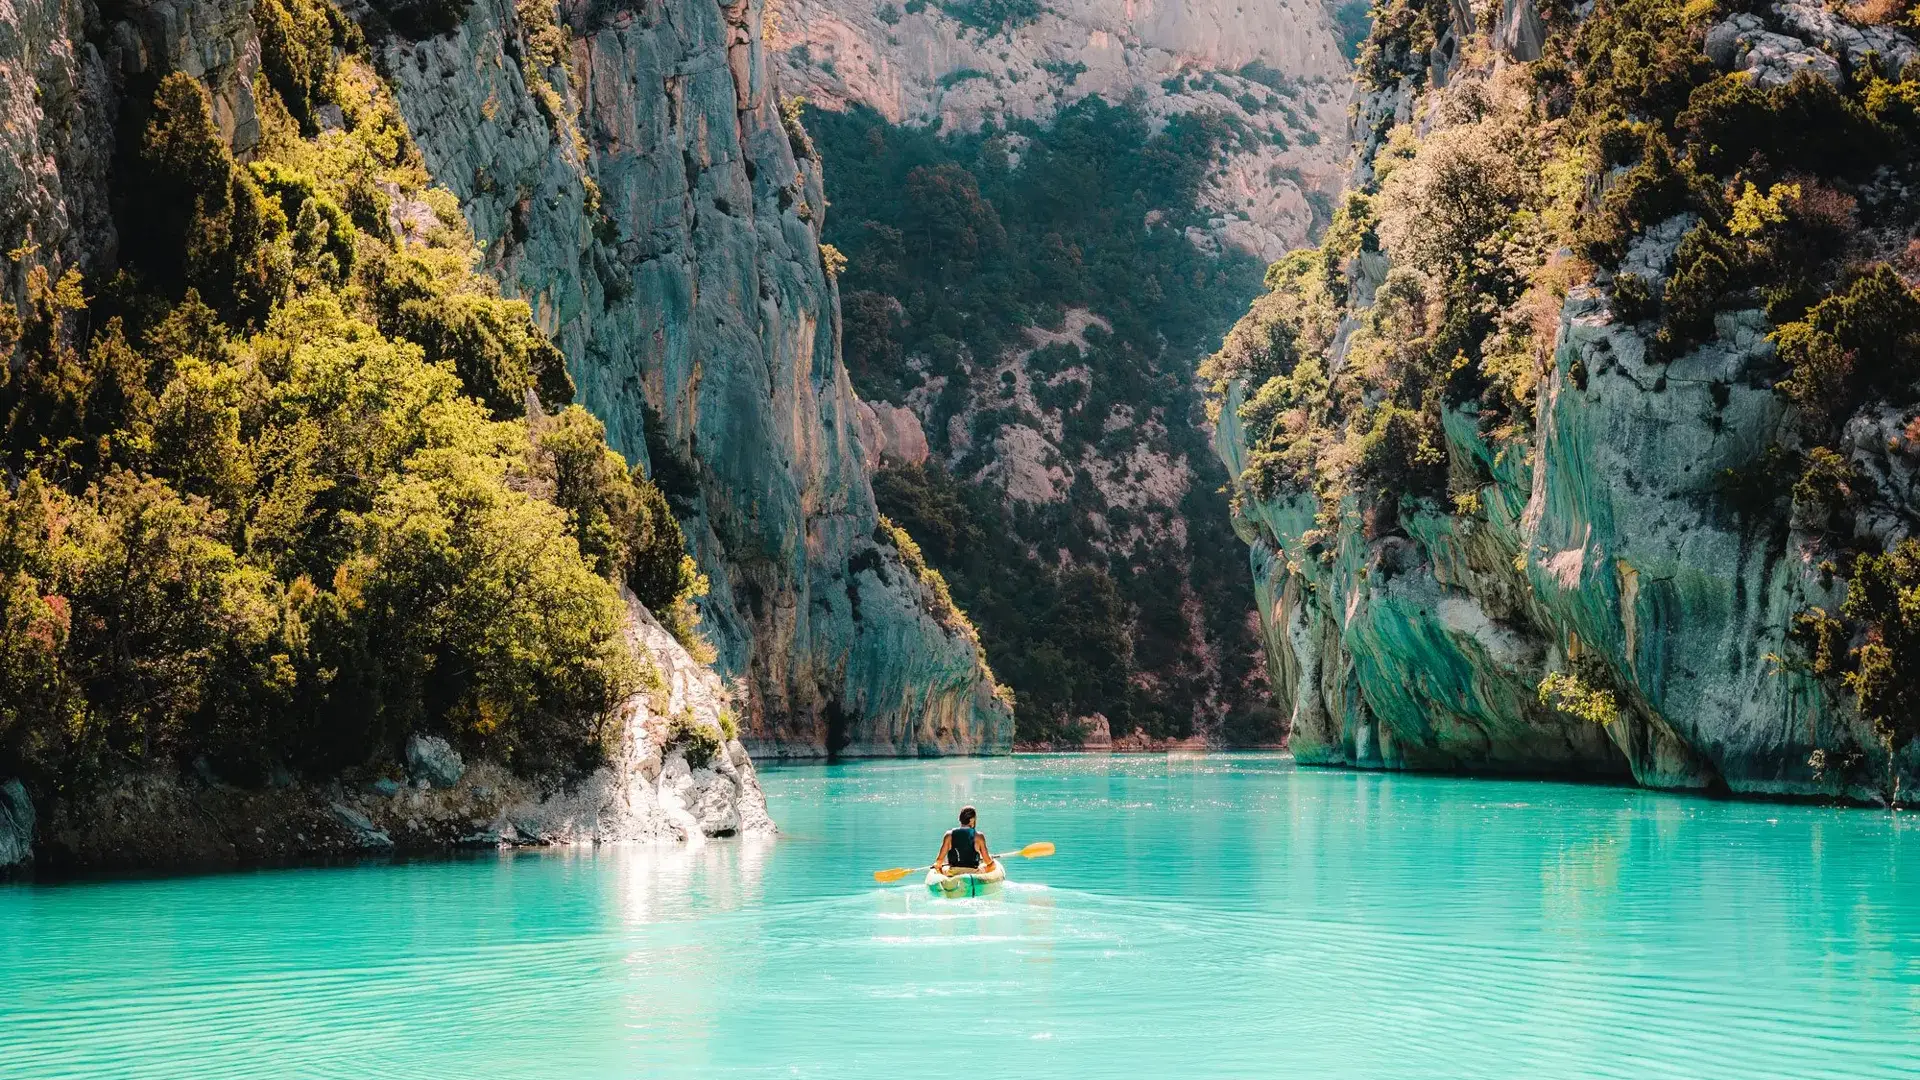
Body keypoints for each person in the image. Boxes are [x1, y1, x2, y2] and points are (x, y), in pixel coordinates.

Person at [933, 806, 995, 875]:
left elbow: (939, 861)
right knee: (992, 865)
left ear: (960, 818)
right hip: (973, 872)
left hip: (953, 872)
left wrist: (938, 866)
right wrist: (991, 859)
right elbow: (987, 861)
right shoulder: (979, 836)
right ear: (972, 819)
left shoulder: (948, 835)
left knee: (939, 867)